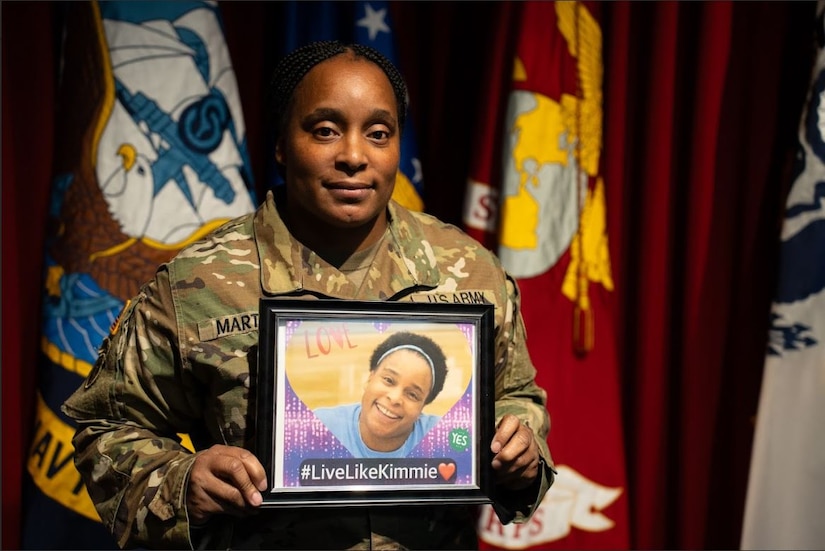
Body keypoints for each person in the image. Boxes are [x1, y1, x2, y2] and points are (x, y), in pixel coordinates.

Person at [63, 40, 555, 550]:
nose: (353, 156)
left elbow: (518, 395)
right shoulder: (198, 284)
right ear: (281, 144)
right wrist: (181, 484)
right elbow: (107, 425)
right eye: (324, 130)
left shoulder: (471, 272)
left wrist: (520, 444)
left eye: (378, 133)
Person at [313, 331, 449, 458]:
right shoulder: (318, 427)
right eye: (389, 380)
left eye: (412, 395)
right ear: (370, 378)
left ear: (423, 407)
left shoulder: (441, 439)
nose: (395, 398)